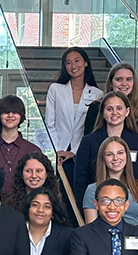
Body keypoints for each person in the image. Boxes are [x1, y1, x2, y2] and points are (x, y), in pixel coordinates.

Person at [74, 91, 138, 208]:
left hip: (133, 205)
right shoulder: (89, 141)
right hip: (99, 206)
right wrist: (87, 207)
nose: (114, 112)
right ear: (102, 113)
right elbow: (80, 179)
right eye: (109, 109)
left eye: (119, 108)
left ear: (127, 112)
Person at [44, 46, 103, 183]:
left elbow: (94, 129)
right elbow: (50, 123)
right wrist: (57, 150)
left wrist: (74, 151)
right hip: (58, 149)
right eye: (68, 62)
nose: (73, 66)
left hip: (83, 151)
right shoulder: (55, 89)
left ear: (86, 63)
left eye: (77, 61)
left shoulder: (97, 94)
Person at [83, 136, 138, 226]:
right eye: (109, 154)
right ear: (103, 158)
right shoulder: (92, 189)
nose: (115, 158)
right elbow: (91, 229)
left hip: (137, 234)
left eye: (120, 153)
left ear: (127, 155)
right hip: (104, 234)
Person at [0, 95, 41, 202]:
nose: (10, 115)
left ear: (21, 116)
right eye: (6, 112)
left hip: (25, 204)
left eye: (15, 112)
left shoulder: (33, 150)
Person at [83, 62, 138, 138]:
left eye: (128, 79)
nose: (124, 83)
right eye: (119, 79)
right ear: (111, 83)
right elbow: (88, 140)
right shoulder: (96, 108)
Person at [6, 150, 66, 220]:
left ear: (47, 174)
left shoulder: (57, 204)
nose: (34, 176)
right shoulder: (9, 205)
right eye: (28, 171)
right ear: (21, 174)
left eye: (39, 171)